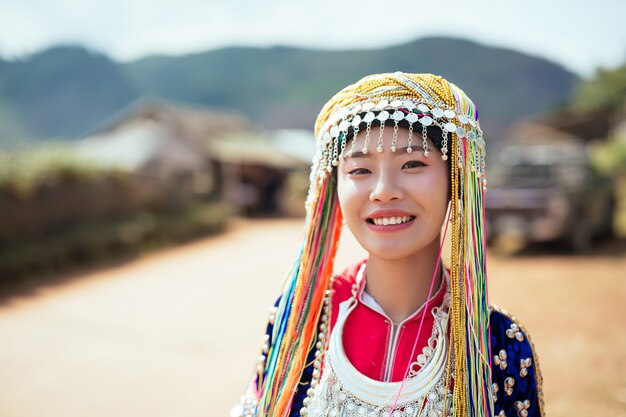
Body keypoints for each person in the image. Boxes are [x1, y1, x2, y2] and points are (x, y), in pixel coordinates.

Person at [232, 72, 543, 417]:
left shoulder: (497, 343)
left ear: (455, 178)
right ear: (332, 186)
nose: (384, 190)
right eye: (360, 170)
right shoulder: (298, 322)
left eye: (412, 163)